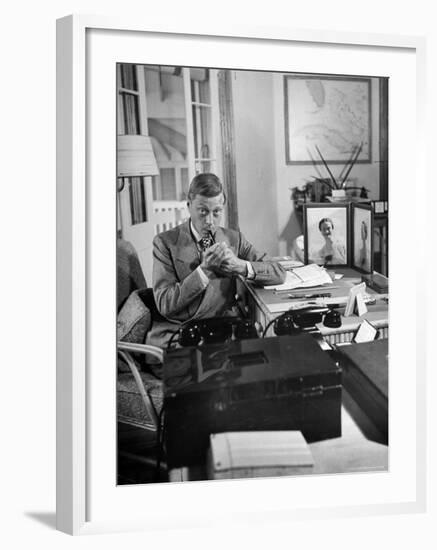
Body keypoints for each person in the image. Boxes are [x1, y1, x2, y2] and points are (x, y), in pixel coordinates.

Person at [147, 173, 286, 349]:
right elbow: (165, 304)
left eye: (216, 212)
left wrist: (242, 266)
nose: (209, 222)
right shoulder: (165, 243)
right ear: (189, 206)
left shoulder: (234, 239)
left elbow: (279, 273)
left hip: (222, 331)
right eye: (203, 211)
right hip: (181, 334)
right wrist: (203, 271)